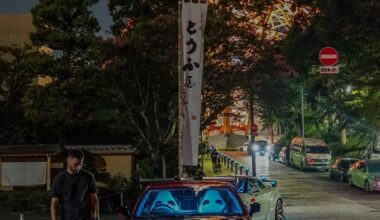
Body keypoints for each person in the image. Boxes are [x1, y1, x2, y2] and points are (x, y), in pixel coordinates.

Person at [51, 149, 100, 220]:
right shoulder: (59, 179)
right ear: (68, 161)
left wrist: (96, 216)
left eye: (81, 164)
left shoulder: (88, 176)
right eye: (76, 164)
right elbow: (54, 202)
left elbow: (94, 199)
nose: (78, 167)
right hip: (67, 217)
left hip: (85, 217)